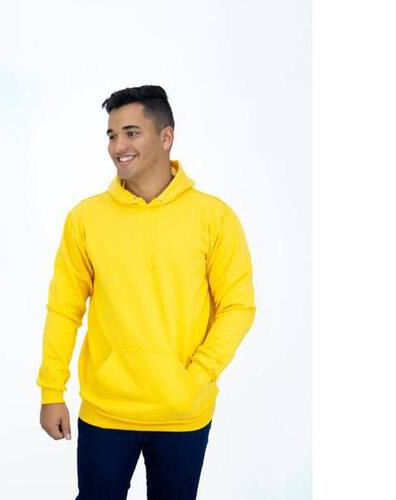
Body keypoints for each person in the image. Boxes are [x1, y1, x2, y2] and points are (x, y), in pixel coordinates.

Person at [36, 84, 256, 499]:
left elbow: (238, 305)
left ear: (166, 136)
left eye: (131, 132)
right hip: (106, 411)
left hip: (183, 413)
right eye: (111, 135)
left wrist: (198, 375)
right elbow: (64, 309)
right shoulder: (86, 218)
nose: (118, 146)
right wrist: (51, 391)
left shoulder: (213, 217)